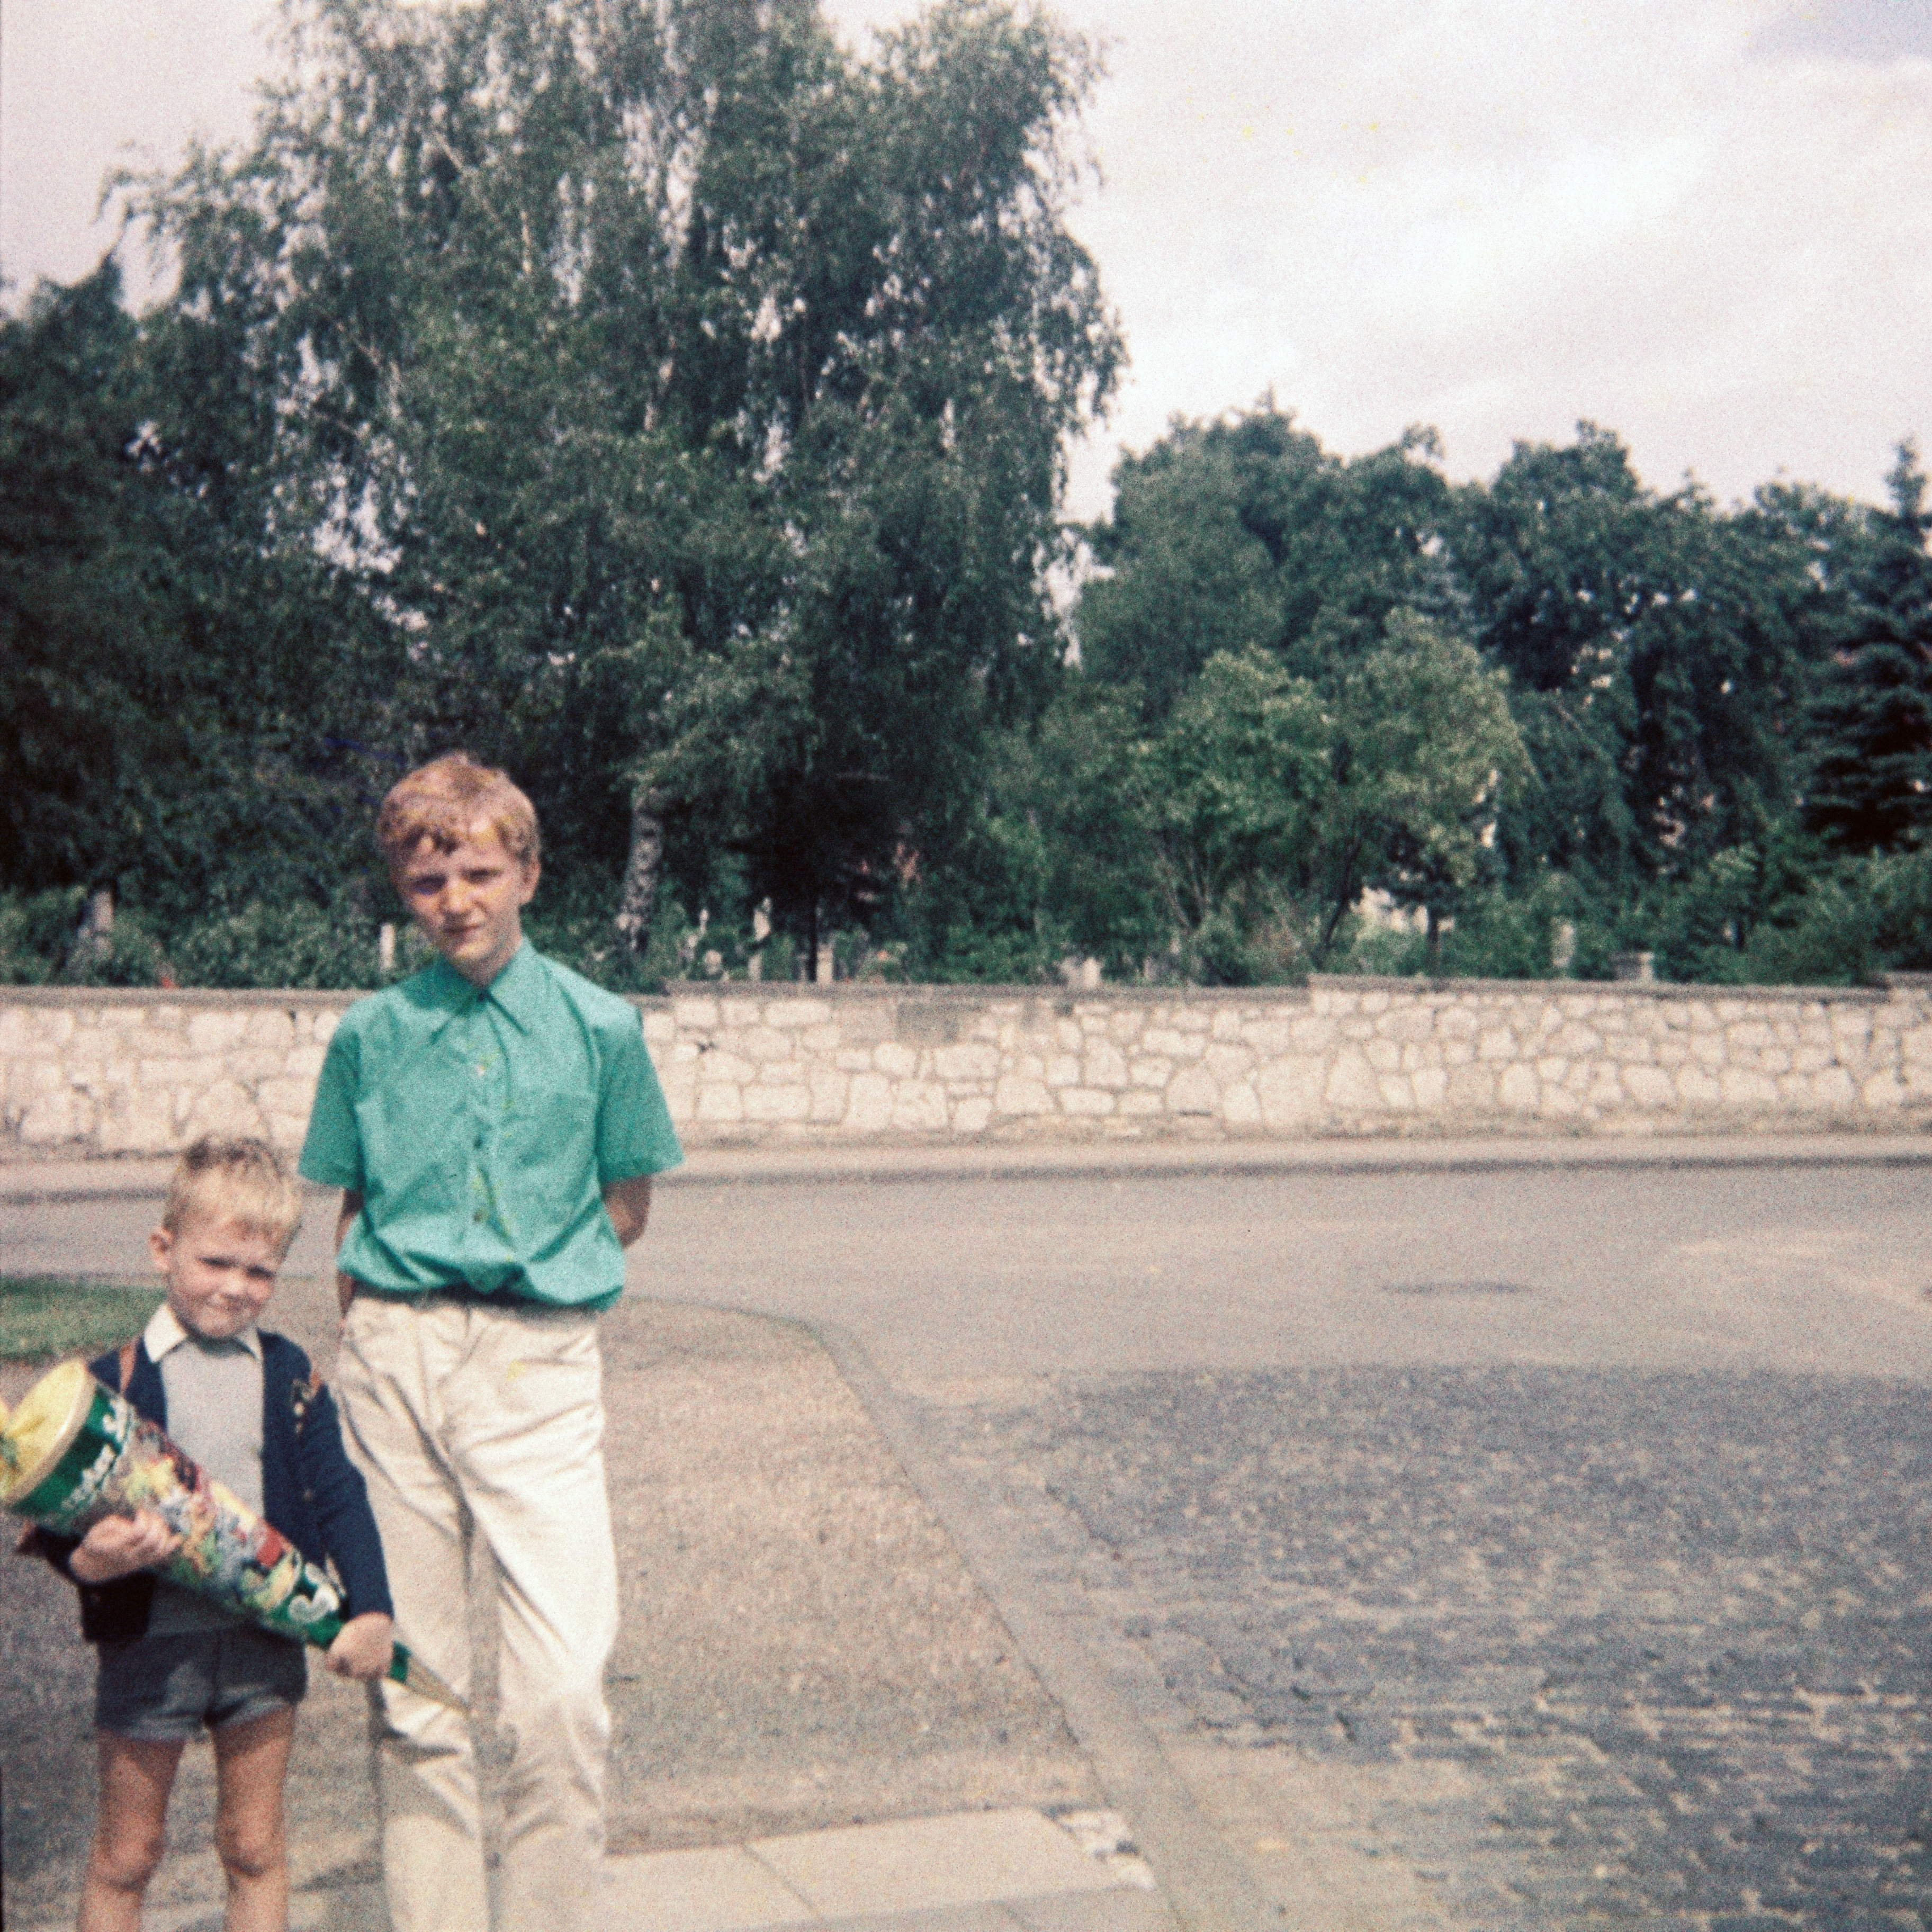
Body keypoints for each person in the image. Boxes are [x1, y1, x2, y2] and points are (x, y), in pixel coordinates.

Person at [298, 751, 682, 1932]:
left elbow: (625, 1199)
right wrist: (380, 1327)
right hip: (396, 1357)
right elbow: (352, 1205)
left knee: (562, 1689)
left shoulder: (601, 1028)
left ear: (527, 871)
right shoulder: (369, 1036)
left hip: (536, 1360)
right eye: (426, 880)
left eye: (476, 870)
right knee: (419, 1691)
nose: (454, 898)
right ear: (401, 892)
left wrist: (530, 1281)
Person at [26, 1136, 394, 1932]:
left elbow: (339, 1494)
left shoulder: (289, 1371)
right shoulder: (112, 1380)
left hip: (264, 1642)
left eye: (259, 1271)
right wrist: (88, 1560)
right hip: (151, 1650)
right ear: (164, 1249)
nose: (235, 1288)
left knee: (254, 1845)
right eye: (216, 1261)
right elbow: (55, 1517)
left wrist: (371, 1606)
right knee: (128, 1853)